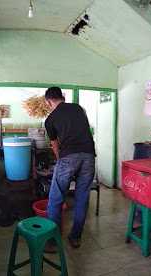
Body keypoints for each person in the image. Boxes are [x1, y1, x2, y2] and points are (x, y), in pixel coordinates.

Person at [44, 86, 96, 249]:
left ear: (48, 101)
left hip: (68, 157)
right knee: (82, 197)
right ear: (63, 96)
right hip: (88, 155)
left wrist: (61, 161)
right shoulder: (78, 108)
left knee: (56, 198)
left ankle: (53, 241)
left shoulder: (50, 119)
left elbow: (54, 145)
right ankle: (75, 237)